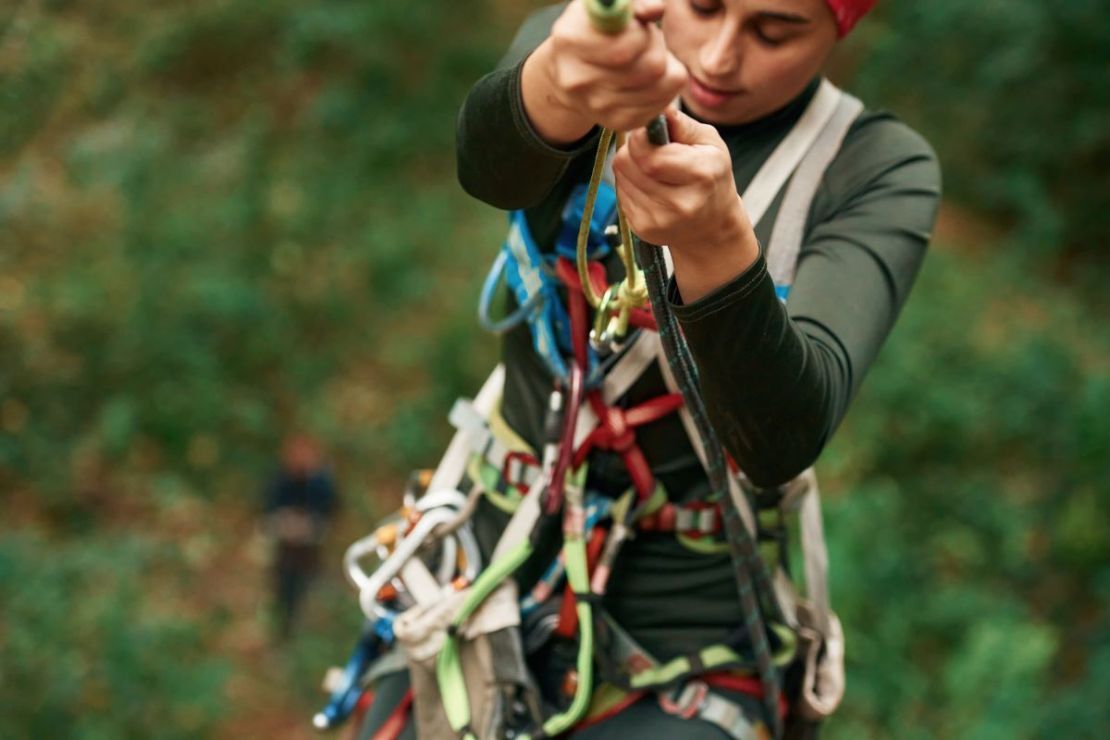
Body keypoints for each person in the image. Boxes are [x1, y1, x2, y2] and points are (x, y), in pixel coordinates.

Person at [359, 0, 939, 736]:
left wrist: (719, 248)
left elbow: (781, 437)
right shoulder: (589, 51)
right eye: (703, 6)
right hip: (483, 560)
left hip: (686, 628)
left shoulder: (873, 168)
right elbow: (490, 167)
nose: (720, 56)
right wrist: (557, 88)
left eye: (774, 30)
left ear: (840, 28)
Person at [263, 434, 338, 641]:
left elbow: (328, 516)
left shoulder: (320, 483)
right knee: (285, 597)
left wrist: (308, 527)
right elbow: (268, 516)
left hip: (311, 554)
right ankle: (284, 637)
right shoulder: (280, 481)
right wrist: (287, 525)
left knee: (312, 597)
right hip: (286, 554)